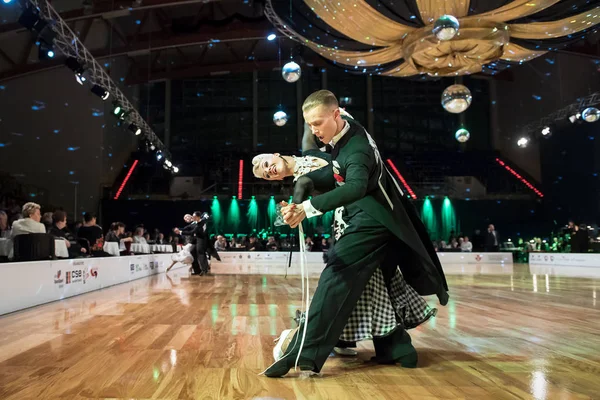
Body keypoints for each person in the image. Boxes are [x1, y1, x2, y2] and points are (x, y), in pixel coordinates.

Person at [255, 90, 448, 377]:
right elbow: (334, 177)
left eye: (318, 123)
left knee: (337, 276)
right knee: (377, 286)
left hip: (372, 220)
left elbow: (354, 187)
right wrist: (301, 197)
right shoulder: (342, 137)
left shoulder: (354, 148)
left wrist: (306, 206)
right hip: (369, 219)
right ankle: (396, 348)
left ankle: (302, 352)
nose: (314, 130)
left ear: (336, 115)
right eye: (309, 125)